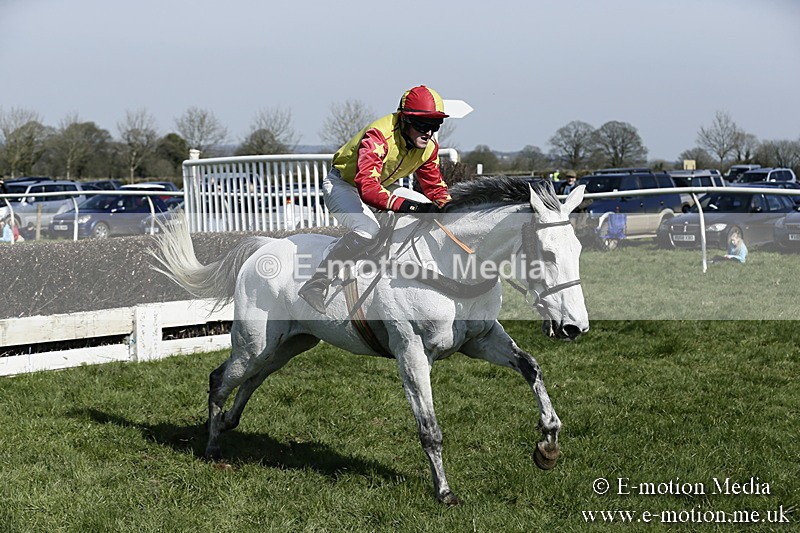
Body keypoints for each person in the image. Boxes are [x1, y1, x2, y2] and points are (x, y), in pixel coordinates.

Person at [299, 85, 452, 313]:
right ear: (404, 120)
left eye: (435, 125)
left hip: (384, 184)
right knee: (367, 230)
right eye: (423, 125)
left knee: (426, 207)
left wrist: (449, 207)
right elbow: (368, 188)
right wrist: (411, 206)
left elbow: (434, 186)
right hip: (344, 185)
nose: (429, 132)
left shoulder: (428, 148)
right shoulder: (378, 136)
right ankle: (317, 283)